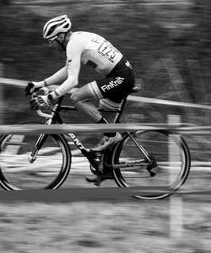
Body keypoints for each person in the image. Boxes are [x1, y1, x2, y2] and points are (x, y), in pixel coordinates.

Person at [26, 15, 137, 158]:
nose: (50, 45)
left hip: (120, 77)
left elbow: (72, 81)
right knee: (108, 130)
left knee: (77, 98)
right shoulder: (77, 38)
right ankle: (105, 171)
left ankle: (111, 134)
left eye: (51, 41)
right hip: (120, 76)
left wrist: (51, 97)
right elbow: (68, 69)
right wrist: (41, 84)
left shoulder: (73, 44)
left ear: (60, 36)